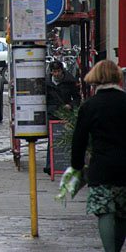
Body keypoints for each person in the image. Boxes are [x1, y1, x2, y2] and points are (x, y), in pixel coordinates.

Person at [71, 60, 126, 252]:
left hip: (101, 167)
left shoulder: (90, 106)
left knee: (104, 211)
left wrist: (77, 166)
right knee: (122, 212)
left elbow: (79, 139)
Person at [44, 60, 81, 174]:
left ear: (62, 70)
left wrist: (70, 105)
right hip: (52, 113)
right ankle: (50, 165)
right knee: (52, 138)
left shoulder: (69, 81)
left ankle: (66, 165)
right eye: (54, 71)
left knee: (66, 138)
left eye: (58, 71)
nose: (56, 74)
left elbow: (77, 98)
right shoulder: (46, 83)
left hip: (65, 114)